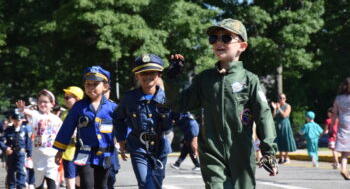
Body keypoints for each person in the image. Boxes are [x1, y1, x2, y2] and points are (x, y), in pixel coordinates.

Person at [164, 18, 278, 188]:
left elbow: (264, 116)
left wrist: (269, 151)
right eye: (214, 38)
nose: (218, 42)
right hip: (212, 153)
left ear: (242, 46)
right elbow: (179, 104)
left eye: (226, 38)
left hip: (241, 153)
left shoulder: (250, 80)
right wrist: (172, 79)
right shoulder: (204, 79)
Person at [113, 54, 199, 189]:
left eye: (152, 73)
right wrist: (121, 139)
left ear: (159, 75)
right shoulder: (130, 98)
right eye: (143, 73)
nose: (147, 77)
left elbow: (184, 118)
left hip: (161, 147)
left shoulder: (168, 98)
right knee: (145, 183)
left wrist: (193, 137)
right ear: (137, 76)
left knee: (156, 184)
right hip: (138, 147)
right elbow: (118, 118)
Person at [53, 66, 117, 189]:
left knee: (103, 185)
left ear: (105, 86)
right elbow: (67, 128)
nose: (91, 87)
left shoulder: (112, 107)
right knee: (87, 185)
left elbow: (123, 125)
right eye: (88, 84)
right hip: (84, 153)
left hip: (105, 154)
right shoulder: (79, 107)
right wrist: (60, 150)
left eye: (95, 84)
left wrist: (124, 142)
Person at [16, 89, 63, 189]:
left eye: (45, 102)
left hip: (52, 155)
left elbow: (62, 136)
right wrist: (23, 108)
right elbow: (28, 111)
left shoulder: (57, 120)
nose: (42, 104)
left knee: (51, 181)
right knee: (39, 182)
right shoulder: (36, 115)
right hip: (38, 155)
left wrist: (61, 151)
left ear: (52, 104)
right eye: (40, 101)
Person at [60, 86, 84, 189]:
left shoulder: (85, 112)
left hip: (83, 151)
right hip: (69, 151)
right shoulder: (65, 113)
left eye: (68, 98)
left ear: (77, 99)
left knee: (82, 180)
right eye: (65, 97)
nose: (65, 100)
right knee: (70, 180)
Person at [0, 110, 31, 189]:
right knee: (10, 171)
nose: (17, 122)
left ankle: (20, 186)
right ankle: (11, 186)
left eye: (19, 120)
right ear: (13, 120)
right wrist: (5, 148)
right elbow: (1, 141)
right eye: (16, 120)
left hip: (21, 153)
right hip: (11, 153)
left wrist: (29, 155)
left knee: (21, 171)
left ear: (21, 120)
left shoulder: (24, 130)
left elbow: (28, 143)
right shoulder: (8, 130)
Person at [332, 77, 350, 180]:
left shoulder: (339, 98)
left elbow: (334, 112)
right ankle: (344, 169)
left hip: (343, 122)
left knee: (345, 148)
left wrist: (332, 126)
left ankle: (343, 168)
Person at [271, 93, 297, 164]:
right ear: (278, 99)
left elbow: (285, 115)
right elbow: (273, 117)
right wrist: (275, 108)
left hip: (285, 125)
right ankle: (281, 157)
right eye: (280, 98)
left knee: (286, 139)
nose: (282, 99)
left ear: (285, 99)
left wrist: (279, 108)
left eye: (284, 98)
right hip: (278, 125)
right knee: (279, 140)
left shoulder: (287, 106)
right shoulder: (278, 106)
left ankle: (286, 157)